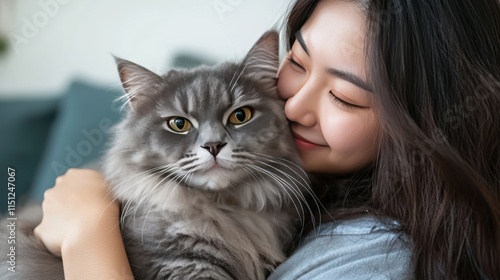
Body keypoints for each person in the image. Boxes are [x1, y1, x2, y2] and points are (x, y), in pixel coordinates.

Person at [34, 0, 500, 279]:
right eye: (296, 62)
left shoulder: (375, 259)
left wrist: (88, 238)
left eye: (345, 96)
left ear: (424, 125)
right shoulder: (311, 191)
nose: (291, 107)